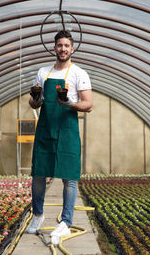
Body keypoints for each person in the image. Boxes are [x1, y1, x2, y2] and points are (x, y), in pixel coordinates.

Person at [27, 30, 93, 245]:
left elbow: (88, 104)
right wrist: (36, 100)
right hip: (45, 129)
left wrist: (69, 104)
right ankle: (38, 215)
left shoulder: (79, 73)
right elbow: (34, 102)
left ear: (72, 49)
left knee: (69, 178)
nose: (63, 49)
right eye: (59, 45)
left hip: (67, 130)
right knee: (38, 175)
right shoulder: (43, 72)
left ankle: (65, 222)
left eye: (66, 45)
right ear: (54, 47)